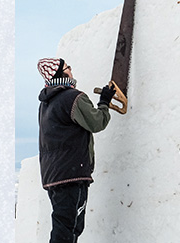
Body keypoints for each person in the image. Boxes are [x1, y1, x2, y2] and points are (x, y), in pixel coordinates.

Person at [36, 57, 117, 243]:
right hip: (71, 174)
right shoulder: (72, 97)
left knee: (64, 227)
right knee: (68, 229)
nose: (71, 71)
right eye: (68, 67)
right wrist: (104, 102)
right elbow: (97, 122)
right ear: (61, 73)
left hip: (53, 176)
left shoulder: (46, 103)